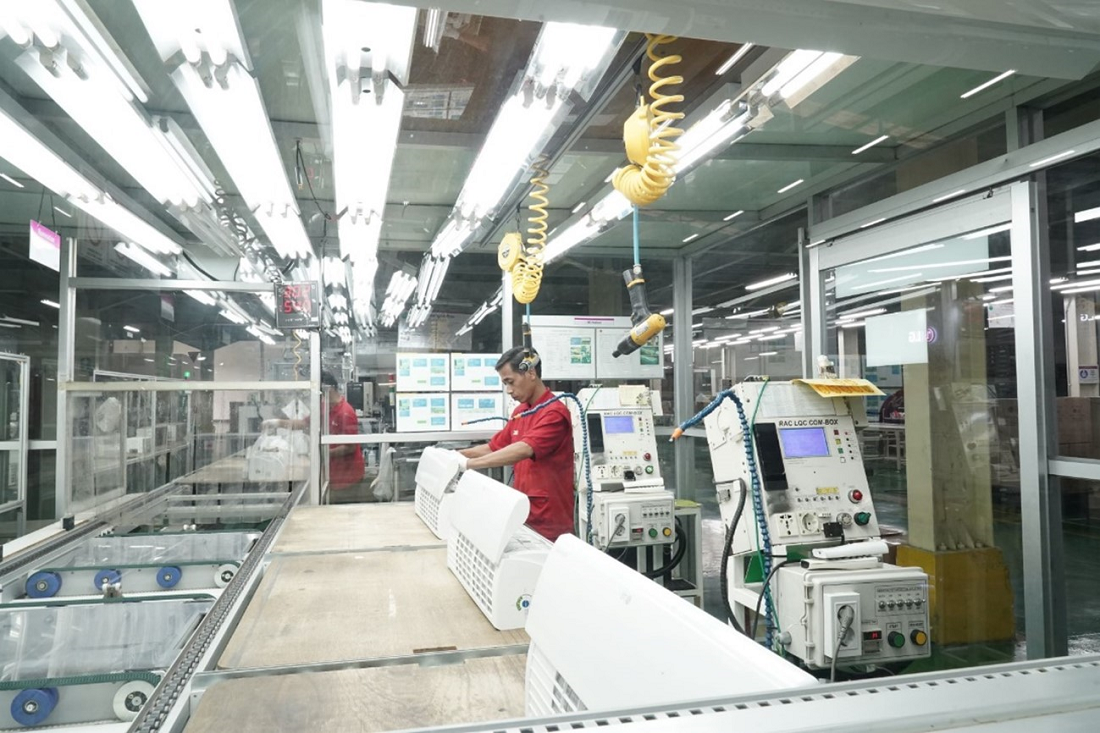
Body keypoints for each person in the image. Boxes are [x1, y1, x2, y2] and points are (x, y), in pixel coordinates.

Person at [453, 346, 575, 541]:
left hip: (549, 520)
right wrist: (457, 455)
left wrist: (468, 465)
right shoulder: (521, 412)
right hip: (524, 512)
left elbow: (525, 449)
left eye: (510, 382)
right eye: (505, 384)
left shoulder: (554, 413)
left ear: (531, 373)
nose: (509, 390)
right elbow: (493, 447)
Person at [265, 370, 365, 498]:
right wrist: (277, 422)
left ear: (329, 389)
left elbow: (350, 447)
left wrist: (322, 453)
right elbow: (303, 423)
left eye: (320, 392)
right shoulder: (324, 406)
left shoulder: (345, 412)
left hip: (347, 476)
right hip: (332, 473)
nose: (319, 396)